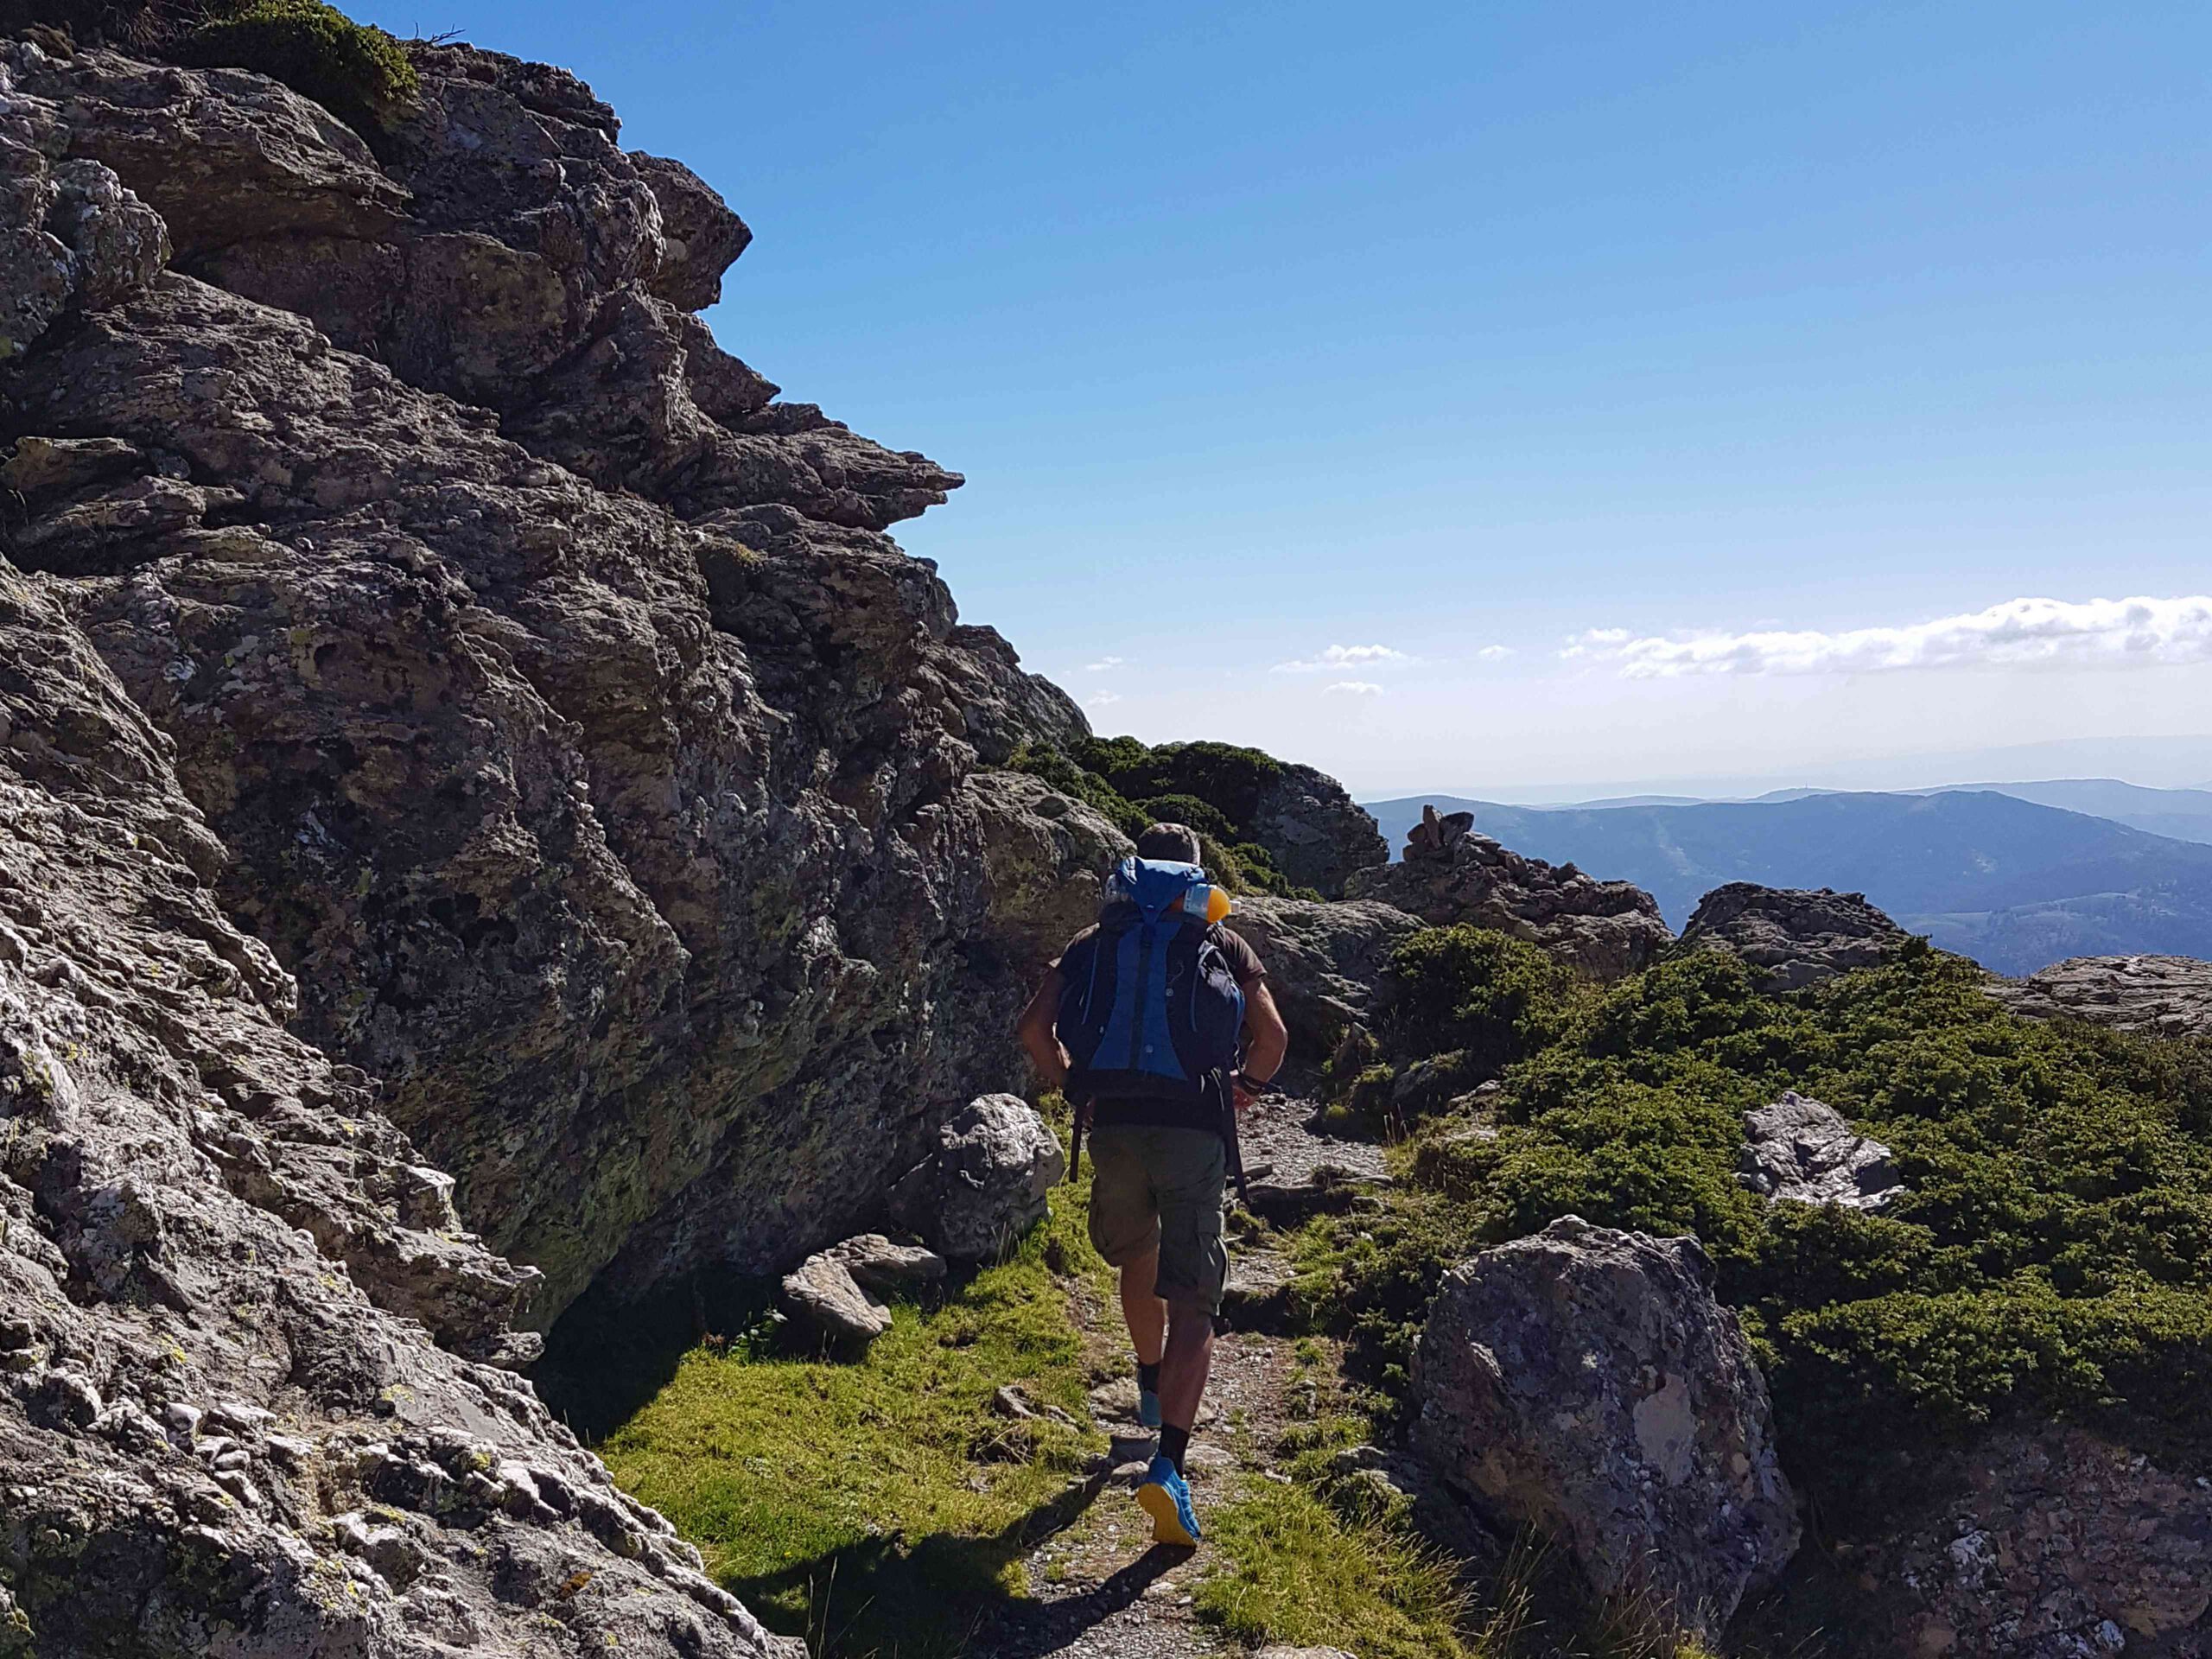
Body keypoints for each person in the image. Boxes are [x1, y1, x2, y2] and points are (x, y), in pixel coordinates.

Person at [1015, 822, 1289, 1548]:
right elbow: (1272, 1039)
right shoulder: (1223, 943)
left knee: (1137, 1252)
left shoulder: (1092, 941)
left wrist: (1077, 1087)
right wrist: (1247, 1089)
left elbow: (1034, 1031)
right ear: (1196, 875)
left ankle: (1145, 1378)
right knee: (1194, 1294)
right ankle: (1169, 1467)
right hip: (1194, 1130)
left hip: (1114, 1126)